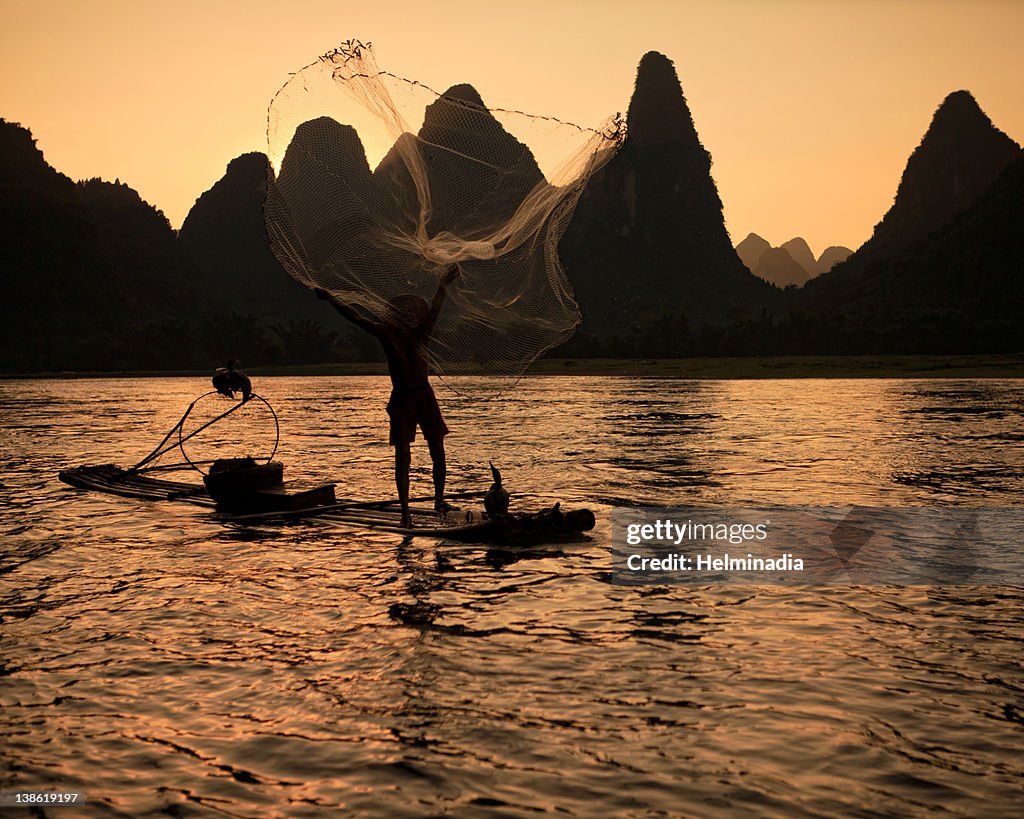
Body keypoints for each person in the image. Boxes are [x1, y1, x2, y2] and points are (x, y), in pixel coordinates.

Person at [315, 264, 460, 528]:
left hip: (419, 395)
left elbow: (356, 317)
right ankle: (406, 510)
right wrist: (332, 299)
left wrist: (443, 285)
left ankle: (436, 501)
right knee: (407, 455)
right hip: (407, 397)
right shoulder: (397, 334)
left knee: (434, 450)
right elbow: (355, 317)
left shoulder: (406, 333)